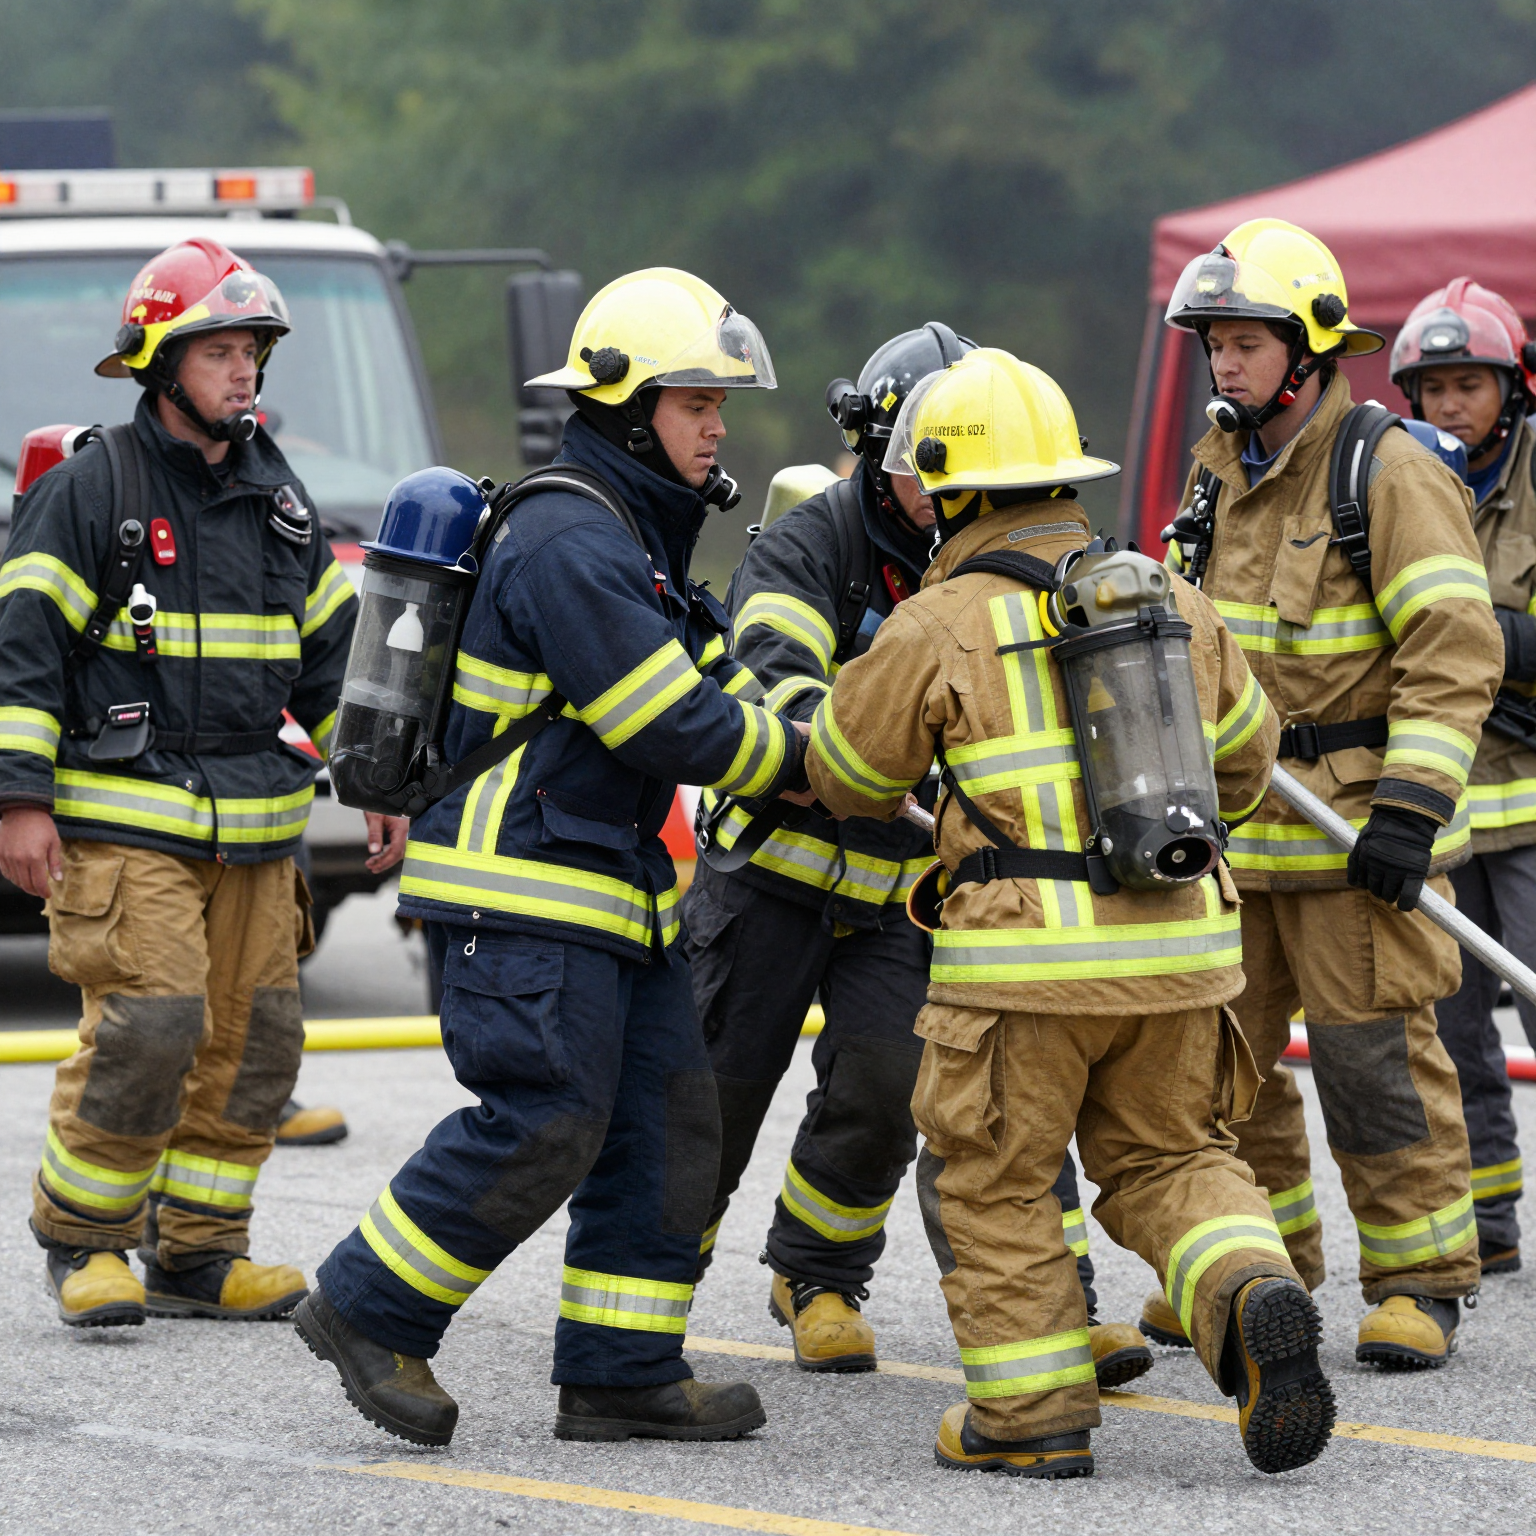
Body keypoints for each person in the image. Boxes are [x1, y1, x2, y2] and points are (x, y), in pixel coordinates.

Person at [296, 268, 807, 1448]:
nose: (718, 429)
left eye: (719, 406)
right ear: (628, 408)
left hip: (607, 893)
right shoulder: (570, 537)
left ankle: (622, 1374)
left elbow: (717, 677)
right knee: (546, 1115)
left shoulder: (631, 535)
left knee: (668, 1123)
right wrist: (800, 765)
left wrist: (838, 740)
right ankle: (368, 1307)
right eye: (697, 404)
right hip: (520, 889)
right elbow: (665, 720)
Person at [804, 343, 1331, 1479]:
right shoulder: (1172, 598)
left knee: (997, 1179)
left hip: (1021, 973)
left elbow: (846, 775)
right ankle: (1249, 1285)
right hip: (1182, 955)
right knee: (1173, 1157)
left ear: (951, 494)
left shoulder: (938, 621)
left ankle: (1031, 1416)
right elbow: (1248, 767)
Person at [686, 324, 1151, 1388]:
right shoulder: (806, 544)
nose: (941, 492)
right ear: (872, 453)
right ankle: (639, 1312)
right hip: (772, 874)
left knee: (896, 1084)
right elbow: (775, 679)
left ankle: (819, 1278)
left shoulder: (1012, 555)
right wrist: (892, 761)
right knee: (711, 1099)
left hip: (908, 890)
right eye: (918, 465)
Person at [0, 238, 404, 1329]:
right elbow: (23, 655)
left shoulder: (279, 499)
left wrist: (374, 777)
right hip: (127, 824)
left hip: (258, 833)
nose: (244, 371)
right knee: (153, 1023)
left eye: (253, 351)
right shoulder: (90, 492)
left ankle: (199, 1251)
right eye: (220, 351)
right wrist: (20, 801)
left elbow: (333, 661)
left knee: (256, 1041)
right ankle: (85, 1242)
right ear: (159, 362)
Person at [1149, 219, 1504, 1371]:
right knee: (1226, 1073)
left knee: (1377, 1069)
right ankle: (1265, 1273)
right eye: (1214, 342)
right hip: (1234, 837)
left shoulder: (1388, 470)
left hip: (1355, 834)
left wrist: (1411, 808)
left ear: (1308, 349)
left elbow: (1454, 648)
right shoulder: (1214, 472)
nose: (1225, 361)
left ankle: (1418, 1282)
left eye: (1246, 341)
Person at [1392, 279, 1536, 1274]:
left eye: (1469, 385)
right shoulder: (1402, 478)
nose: (1451, 404)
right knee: (1449, 1024)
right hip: (1446, 804)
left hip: (1530, 805)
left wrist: (1474, 634)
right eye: (1434, 387)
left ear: (1510, 389)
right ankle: (1488, 1218)